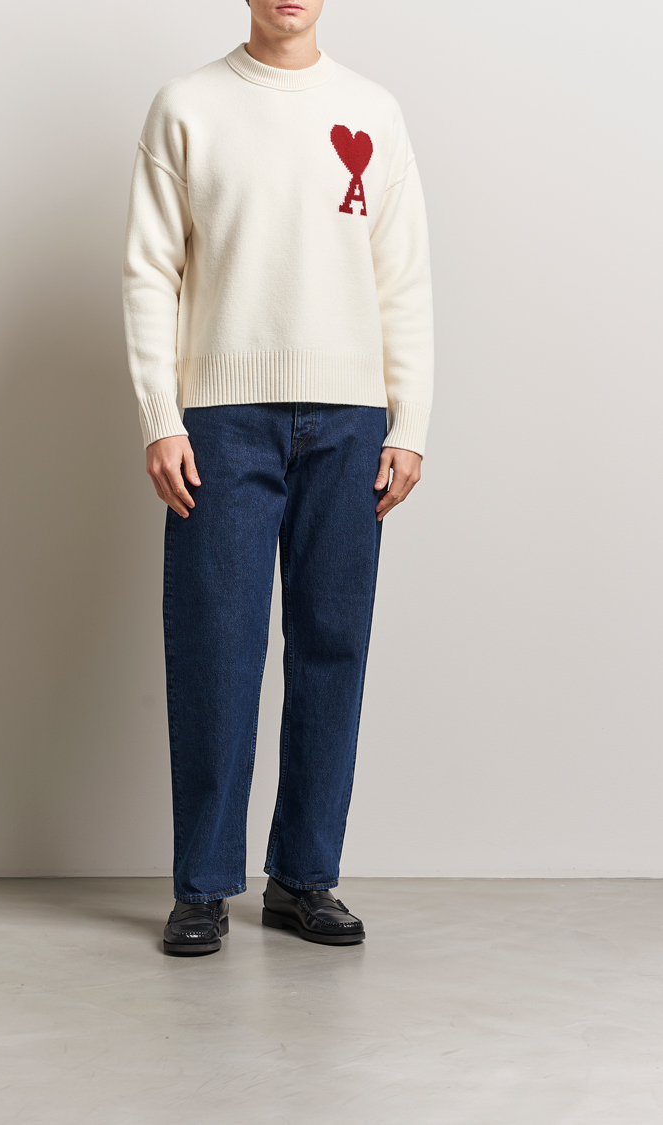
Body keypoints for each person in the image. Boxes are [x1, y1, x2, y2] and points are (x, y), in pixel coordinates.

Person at [122, 0, 434, 955]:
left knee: (333, 643)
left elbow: (403, 279)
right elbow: (149, 272)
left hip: (350, 418)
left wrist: (410, 423)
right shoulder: (188, 106)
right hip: (221, 419)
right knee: (215, 645)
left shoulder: (373, 111)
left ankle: (304, 876)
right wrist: (160, 415)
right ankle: (204, 885)